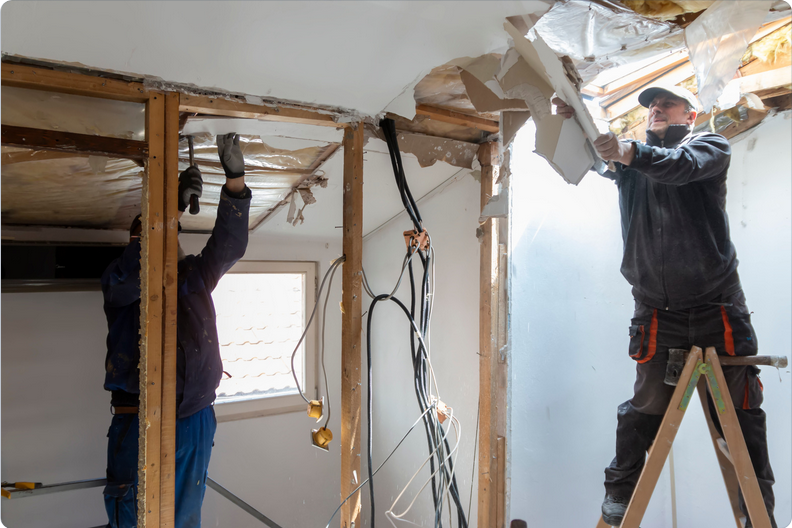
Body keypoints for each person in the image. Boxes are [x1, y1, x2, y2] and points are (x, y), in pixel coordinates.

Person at [554, 86, 776, 527]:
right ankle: (618, 496)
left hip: (718, 308)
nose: (655, 108)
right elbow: (589, 155)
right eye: (651, 106)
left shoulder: (708, 146)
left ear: (689, 115)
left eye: (666, 104)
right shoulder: (628, 161)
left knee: (740, 411)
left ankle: (757, 511)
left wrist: (628, 151)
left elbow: (679, 167)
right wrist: (570, 118)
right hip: (657, 312)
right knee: (645, 407)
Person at [101, 133, 250, 528]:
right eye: (154, 233)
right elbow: (140, 268)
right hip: (140, 420)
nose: (169, 240)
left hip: (197, 415)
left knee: (184, 519)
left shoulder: (195, 277)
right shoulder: (120, 280)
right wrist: (172, 208)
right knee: (136, 517)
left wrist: (235, 180)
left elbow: (229, 246)